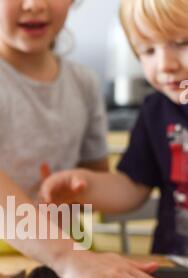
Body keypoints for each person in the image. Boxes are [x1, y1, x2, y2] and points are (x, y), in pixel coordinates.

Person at [0, 0, 182, 278]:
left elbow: (101, 185)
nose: (34, 4)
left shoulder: (84, 82)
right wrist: (67, 255)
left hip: (67, 261)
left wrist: (82, 188)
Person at [40, 0, 188, 257]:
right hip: (174, 266)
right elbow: (132, 187)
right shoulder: (155, 110)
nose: (165, 64)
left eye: (182, 42)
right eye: (148, 50)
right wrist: (84, 187)